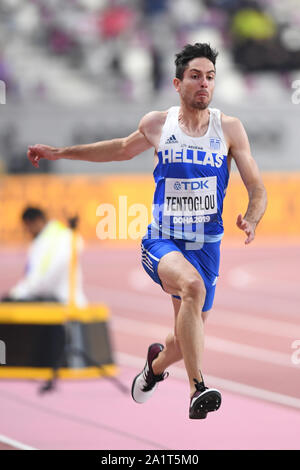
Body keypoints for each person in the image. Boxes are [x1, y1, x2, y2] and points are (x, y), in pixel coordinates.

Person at [27, 43, 267, 419]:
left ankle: (155, 367)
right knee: (193, 287)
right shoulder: (159, 124)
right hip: (163, 240)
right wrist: (60, 152)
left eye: (210, 77)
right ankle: (196, 389)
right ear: (177, 82)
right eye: (195, 76)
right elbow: (119, 149)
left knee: (183, 339)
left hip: (207, 245)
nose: (204, 84)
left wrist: (252, 218)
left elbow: (257, 187)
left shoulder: (230, 128)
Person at [4, 207, 87, 307]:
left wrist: (16, 294)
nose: (27, 231)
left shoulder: (54, 239)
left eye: (27, 227)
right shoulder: (47, 238)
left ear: (37, 221)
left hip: (63, 301)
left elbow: (40, 279)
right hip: (55, 298)